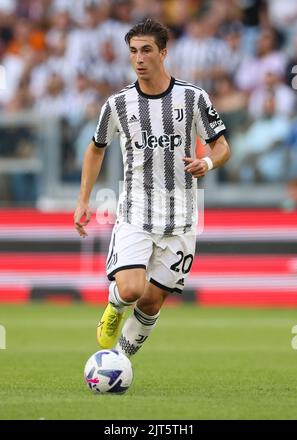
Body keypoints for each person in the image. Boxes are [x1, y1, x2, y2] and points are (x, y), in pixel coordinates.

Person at [73, 18, 231, 358]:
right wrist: (83, 199)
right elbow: (95, 148)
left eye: (146, 50)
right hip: (136, 214)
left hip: (182, 220)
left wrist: (207, 163)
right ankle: (114, 306)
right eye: (133, 51)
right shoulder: (118, 104)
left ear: (163, 52)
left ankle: (119, 361)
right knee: (131, 290)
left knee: (152, 300)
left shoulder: (193, 97)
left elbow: (222, 146)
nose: (139, 58)